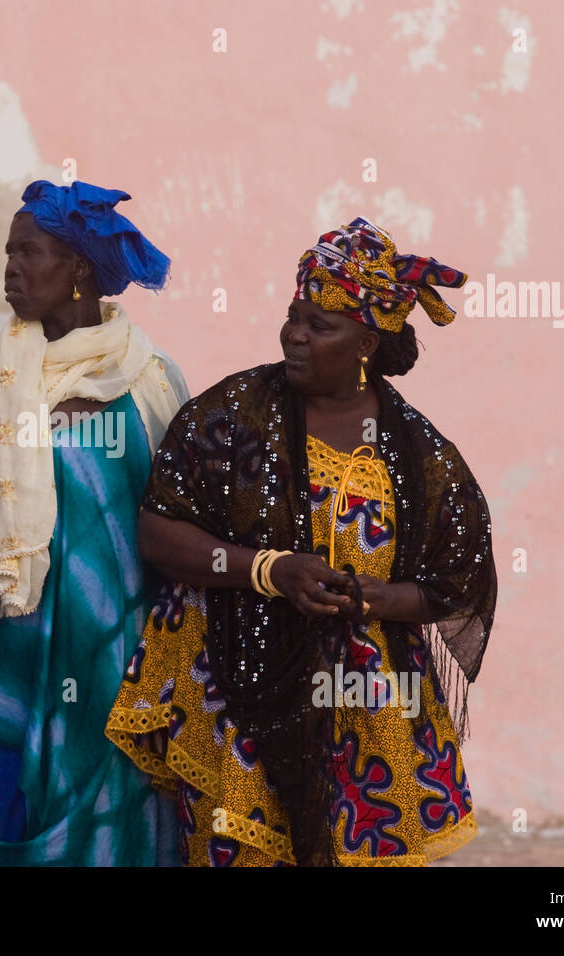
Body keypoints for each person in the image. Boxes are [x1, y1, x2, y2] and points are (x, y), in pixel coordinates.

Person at [106, 217, 497, 866]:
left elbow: (455, 582)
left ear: (367, 340)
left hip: (362, 706)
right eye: (294, 315)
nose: (296, 333)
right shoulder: (231, 415)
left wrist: (380, 598)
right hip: (236, 685)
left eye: (321, 325)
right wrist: (271, 569)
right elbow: (157, 530)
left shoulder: (420, 457)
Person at [0, 179, 189, 866]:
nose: (12, 269)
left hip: (116, 659)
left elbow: (178, 520)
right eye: (8, 253)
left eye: (31, 253)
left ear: (79, 270)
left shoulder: (149, 382)